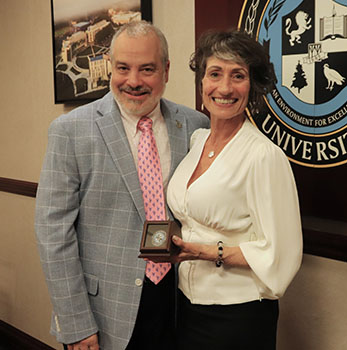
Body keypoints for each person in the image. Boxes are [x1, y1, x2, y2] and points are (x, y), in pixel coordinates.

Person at [35, 21, 209, 350]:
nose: (133, 81)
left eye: (147, 69)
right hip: (103, 314)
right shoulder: (70, 131)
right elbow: (52, 231)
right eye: (123, 68)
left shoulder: (195, 126)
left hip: (177, 305)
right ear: (110, 68)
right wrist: (75, 323)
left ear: (166, 70)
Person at [166, 30, 303, 349]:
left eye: (237, 75)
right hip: (186, 307)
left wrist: (201, 251)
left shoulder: (263, 156)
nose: (224, 88)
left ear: (252, 86)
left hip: (237, 317)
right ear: (201, 83)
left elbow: (280, 255)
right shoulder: (197, 141)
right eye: (215, 74)